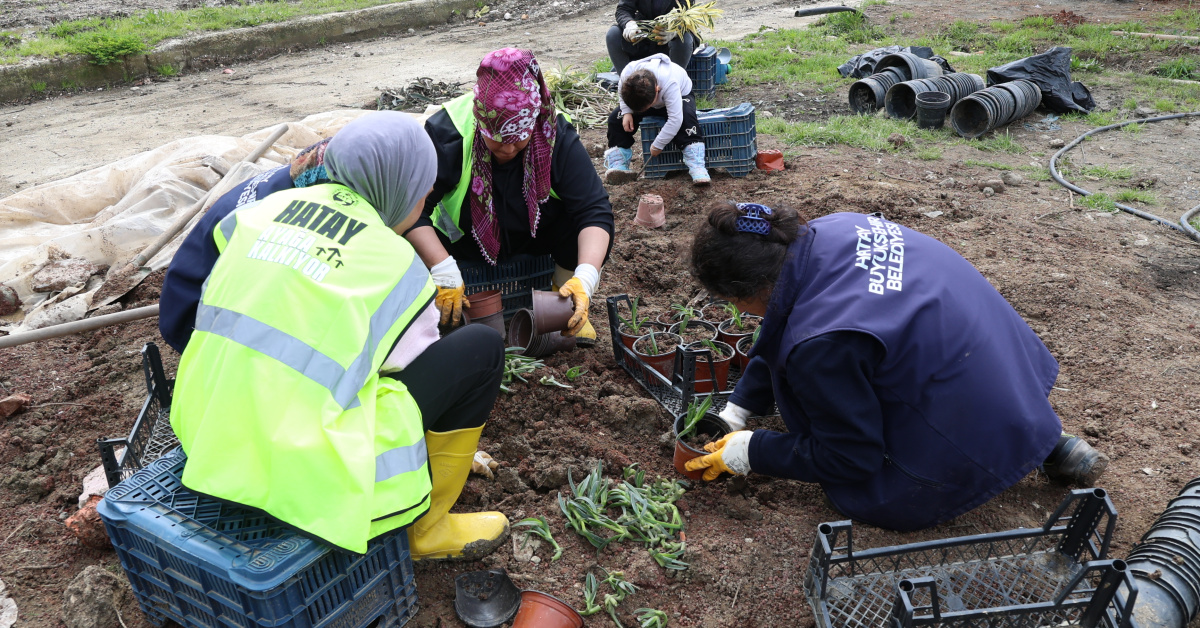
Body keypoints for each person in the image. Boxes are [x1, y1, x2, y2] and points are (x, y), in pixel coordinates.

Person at [166, 111, 510, 559]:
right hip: (301, 475)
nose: (424, 204)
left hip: (206, 434)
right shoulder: (393, 263)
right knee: (479, 350)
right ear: (398, 187)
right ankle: (426, 531)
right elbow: (407, 366)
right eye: (423, 192)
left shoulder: (259, 213)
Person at [683, 202, 1109, 531]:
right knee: (882, 361)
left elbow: (850, 457)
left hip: (968, 413)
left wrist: (752, 450)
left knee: (860, 491)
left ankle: (991, 452)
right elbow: (788, 320)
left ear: (748, 291)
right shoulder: (832, 230)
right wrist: (738, 407)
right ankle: (1044, 439)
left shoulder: (820, 345)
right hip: (1004, 367)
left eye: (731, 301)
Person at [407, 48, 614, 345]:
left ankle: (561, 300)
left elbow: (594, 210)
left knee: (584, 221)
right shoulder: (448, 133)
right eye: (496, 140)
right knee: (401, 235)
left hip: (537, 240)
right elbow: (410, 208)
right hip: (465, 243)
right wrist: (443, 268)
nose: (506, 150)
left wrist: (585, 279)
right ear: (480, 119)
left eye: (517, 143)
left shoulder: (555, 134)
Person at [604, 55, 709, 186]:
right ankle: (618, 164)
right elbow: (621, 90)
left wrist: (658, 144)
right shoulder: (627, 73)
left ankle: (697, 166)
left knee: (686, 118)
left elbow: (675, 119)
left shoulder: (669, 81)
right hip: (644, 100)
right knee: (615, 119)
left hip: (679, 97)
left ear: (656, 90)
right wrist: (626, 112)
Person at [606, 0, 697, 74]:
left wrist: (675, 30)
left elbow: (687, 14)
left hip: (667, 41)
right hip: (643, 36)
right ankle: (626, 81)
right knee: (613, 34)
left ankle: (674, 81)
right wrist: (629, 23)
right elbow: (623, 9)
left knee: (683, 38)